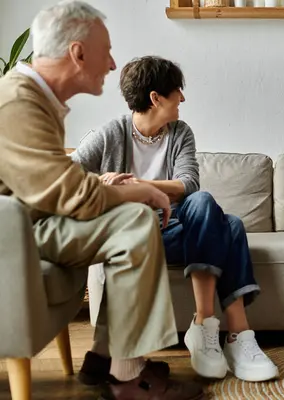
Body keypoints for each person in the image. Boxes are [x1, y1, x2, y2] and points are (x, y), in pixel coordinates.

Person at [0, 1, 205, 399]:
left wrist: (130, 191)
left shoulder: (35, 99)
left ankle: (105, 355)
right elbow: (65, 191)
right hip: (16, 230)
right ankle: (126, 376)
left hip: (33, 220)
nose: (112, 65)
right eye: (106, 51)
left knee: (135, 218)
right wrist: (138, 190)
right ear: (77, 53)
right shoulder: (19, 101)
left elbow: (56, 179)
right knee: (133, 219)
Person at [70, 55, 279, 382]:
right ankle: (233, 334)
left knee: (205, 202)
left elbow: (189, 184)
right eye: (177, 90)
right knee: (232, 226)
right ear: (156, 98)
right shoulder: (111, 134)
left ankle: (213, 329)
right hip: (140, 237)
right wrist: (105, 180)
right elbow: (66, 176)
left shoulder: (180, 132)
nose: (182, 97)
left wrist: (140, 184)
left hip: (177, 229)